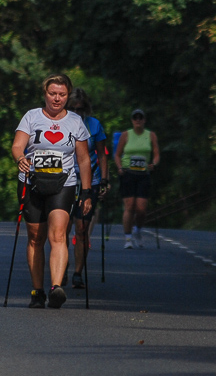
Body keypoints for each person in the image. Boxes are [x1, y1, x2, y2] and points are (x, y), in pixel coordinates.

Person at [12, 74, 93, 309]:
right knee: (35, 238)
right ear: (45, 94)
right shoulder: (31, 116)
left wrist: (86, 192)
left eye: (62, 94)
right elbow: (18, 145)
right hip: (32, 182)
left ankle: (55, 287)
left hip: (63, 183)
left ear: (68, 96)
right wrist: (20, 158)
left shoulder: (76, 121)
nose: (57, 99)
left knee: (57, 235)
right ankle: (37, 291)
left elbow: (84, 159)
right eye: (52, 93)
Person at [66, 87, 108, 289]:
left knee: (81, 228)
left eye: (80, 108)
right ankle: (61, 265)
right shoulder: (61, 124)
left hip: (89, 181)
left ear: (86, 108)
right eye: (72, 108)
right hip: (64, 180)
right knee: (62, 227)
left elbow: (101, 155)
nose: (77, 112)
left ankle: (77, 273)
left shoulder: (94, 125)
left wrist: (104, 181)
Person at [114, 108, 160, 248]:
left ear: (144, 120)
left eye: (140, 117)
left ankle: (138, 231)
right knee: (129, 206)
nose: (138, 120)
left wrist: (154, 164)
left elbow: (156, 153)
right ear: (132, 120)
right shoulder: (126, 135)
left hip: (143, 174)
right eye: (135, 118)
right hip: (128, 173)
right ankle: (128, 239)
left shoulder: (150, 135)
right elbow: (117, 154)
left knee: (141, 208)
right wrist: (120, 167)